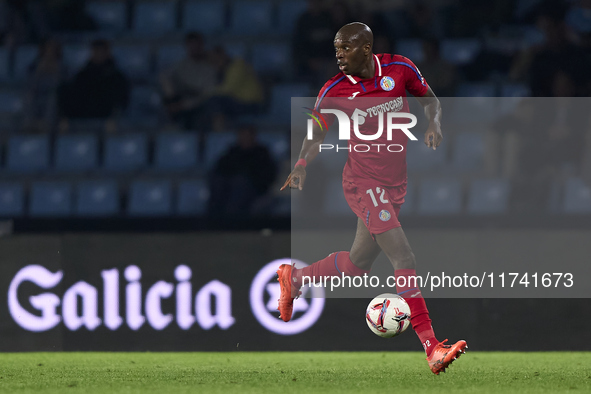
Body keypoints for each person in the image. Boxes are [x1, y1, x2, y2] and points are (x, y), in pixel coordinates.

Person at [277, 22, 467, 375]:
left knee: (356, 264)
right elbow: (314, 132)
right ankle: (432, 349)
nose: (339, 55)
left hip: (394, 184)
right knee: (404, 255)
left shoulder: (401, 69)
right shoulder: (333, 89)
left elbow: (432, 101)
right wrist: (302, 162)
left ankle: (296, 277)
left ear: (366, 48)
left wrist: (434, 123)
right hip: (363, 183)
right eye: (336, 49)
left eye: (345, 48)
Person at [58, 39, 129, 133]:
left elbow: (121, 100)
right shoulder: (82, 76)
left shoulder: (117, 77)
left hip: (106, 119)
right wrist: (65, 117)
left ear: (107, 52)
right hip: (81, 119)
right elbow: (72, 96)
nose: (99, 54)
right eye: (96, 51)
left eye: (102, 51)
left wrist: (114, 118)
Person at [209, 125, 277, 216]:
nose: (244, 138)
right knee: (218, 183)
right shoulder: (232, 151)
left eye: (246, 135)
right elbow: (220, 169)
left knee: (239, 184)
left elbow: (266, 175)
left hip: (253, 189)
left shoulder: (261, 153)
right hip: (228, 187)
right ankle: (213, 220)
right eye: (241, 135)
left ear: (253, 137)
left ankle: (232, 220)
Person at [160, 32, 217, 130]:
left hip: (199, 102)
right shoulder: (182, 64)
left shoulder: (210, 66)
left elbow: (207, 94)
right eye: (191, 45)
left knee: (203, 110)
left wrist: (184, 105)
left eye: (196, 45)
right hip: (180, 98)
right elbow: (165, 77)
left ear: (202, 45)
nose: (194, 49)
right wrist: (172, 99)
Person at [24, 38, 67, 133]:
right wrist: (39, 71)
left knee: (52, 99)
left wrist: (56, 72)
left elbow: (64, 86)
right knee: (29, 97)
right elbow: (31, 86)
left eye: (52, 49)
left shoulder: (63, 67)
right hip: (38, 96)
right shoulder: (34, 66)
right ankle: (30, 125)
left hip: (54, 97)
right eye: (48, 48)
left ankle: (46, 126)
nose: (50, 52)